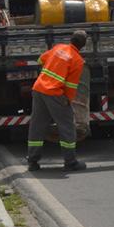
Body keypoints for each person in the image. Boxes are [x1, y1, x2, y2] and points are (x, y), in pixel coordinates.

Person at [26, 30, 88, 172]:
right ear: (83, 46)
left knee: (37, 125)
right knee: (67, 126)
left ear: (71, 40)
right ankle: (70, 162)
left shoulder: (58, 47)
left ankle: (32, 161)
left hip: (39, 88)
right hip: (54, 93)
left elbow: (40, 60)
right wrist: (67, 100)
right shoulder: (78, 60)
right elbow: (71, 86)